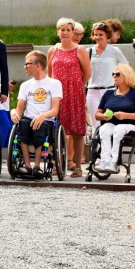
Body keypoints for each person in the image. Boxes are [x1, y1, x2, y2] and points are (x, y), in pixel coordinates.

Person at [48, 17, 91, 177]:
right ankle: (56, 163)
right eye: (62, 29)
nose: (65, 32)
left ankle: (78, 166)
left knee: (77, 131)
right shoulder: (53, 50)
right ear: (58, 31)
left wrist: (76, 86)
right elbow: (49, 73)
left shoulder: (80, 50)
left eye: (68, 29)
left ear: (73, 32)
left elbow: (87, 73)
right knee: (56, 128)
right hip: (57, 95)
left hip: (74, 93)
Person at [10, 51, 62, 176]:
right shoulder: (25, 85)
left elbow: (55, 110)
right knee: (22, 123)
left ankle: (37, 166)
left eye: (28, 64)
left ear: (38, 65)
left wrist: (43, 116)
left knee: (39, 125)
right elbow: (19, 109)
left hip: (47, 120)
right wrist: (14, 112)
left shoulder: (54, 84)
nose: (25, 67)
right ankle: (27, 166)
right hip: (28, 119)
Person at [93, 64, 135, 172]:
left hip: (131, 125)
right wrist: (104, 116)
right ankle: (105, 160)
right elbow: (97, 114)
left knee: (118, 129)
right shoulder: (109, 93)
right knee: (104, 129)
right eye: (113, 74)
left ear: (126, 76)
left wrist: (126, 115)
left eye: (117, 74)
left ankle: (114, 162)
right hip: (112, 123)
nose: (114, 76)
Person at [86, 22, 129, 133]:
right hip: (92, 92)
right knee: (96, 126)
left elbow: (125, 68)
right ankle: (98, 149)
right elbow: (84, 72)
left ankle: (109, 148)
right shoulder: (88, 52)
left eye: (101, 34)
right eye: (95, 34)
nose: (98, 37)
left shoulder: (115, 51)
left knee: (110, 123)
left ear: (107, 36)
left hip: (109, 91)